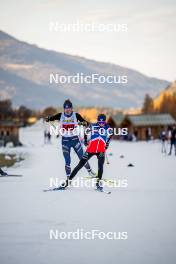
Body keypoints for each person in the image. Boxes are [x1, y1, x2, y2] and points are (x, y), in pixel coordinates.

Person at [58, 114, 113, 191]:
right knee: (79, 165)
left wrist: (107, 143)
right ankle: (67, 183)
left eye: (102, 122)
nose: (101, 123)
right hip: (91, 150)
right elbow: (86, 131)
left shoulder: (108, 127)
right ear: (97, 121)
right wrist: (86, 140)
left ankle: (98, 185)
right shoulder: (93, 126)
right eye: (99, 122)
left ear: (105, 121)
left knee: (100, 167)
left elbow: (111, 134)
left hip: (101, 150)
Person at [45, 99, 96, 178]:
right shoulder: (60, 115)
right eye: (66, 108)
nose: (67, 110)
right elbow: (51, 118)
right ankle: (68, 179)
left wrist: (85, 123)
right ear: (64, 109)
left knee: (82, 157)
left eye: (69, 108)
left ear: (72, 108)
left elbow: (86, 122)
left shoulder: (76, 115)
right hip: (65, 141)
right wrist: (48, 118)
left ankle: (90, 171)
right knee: (67, 161)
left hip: (75, 140)